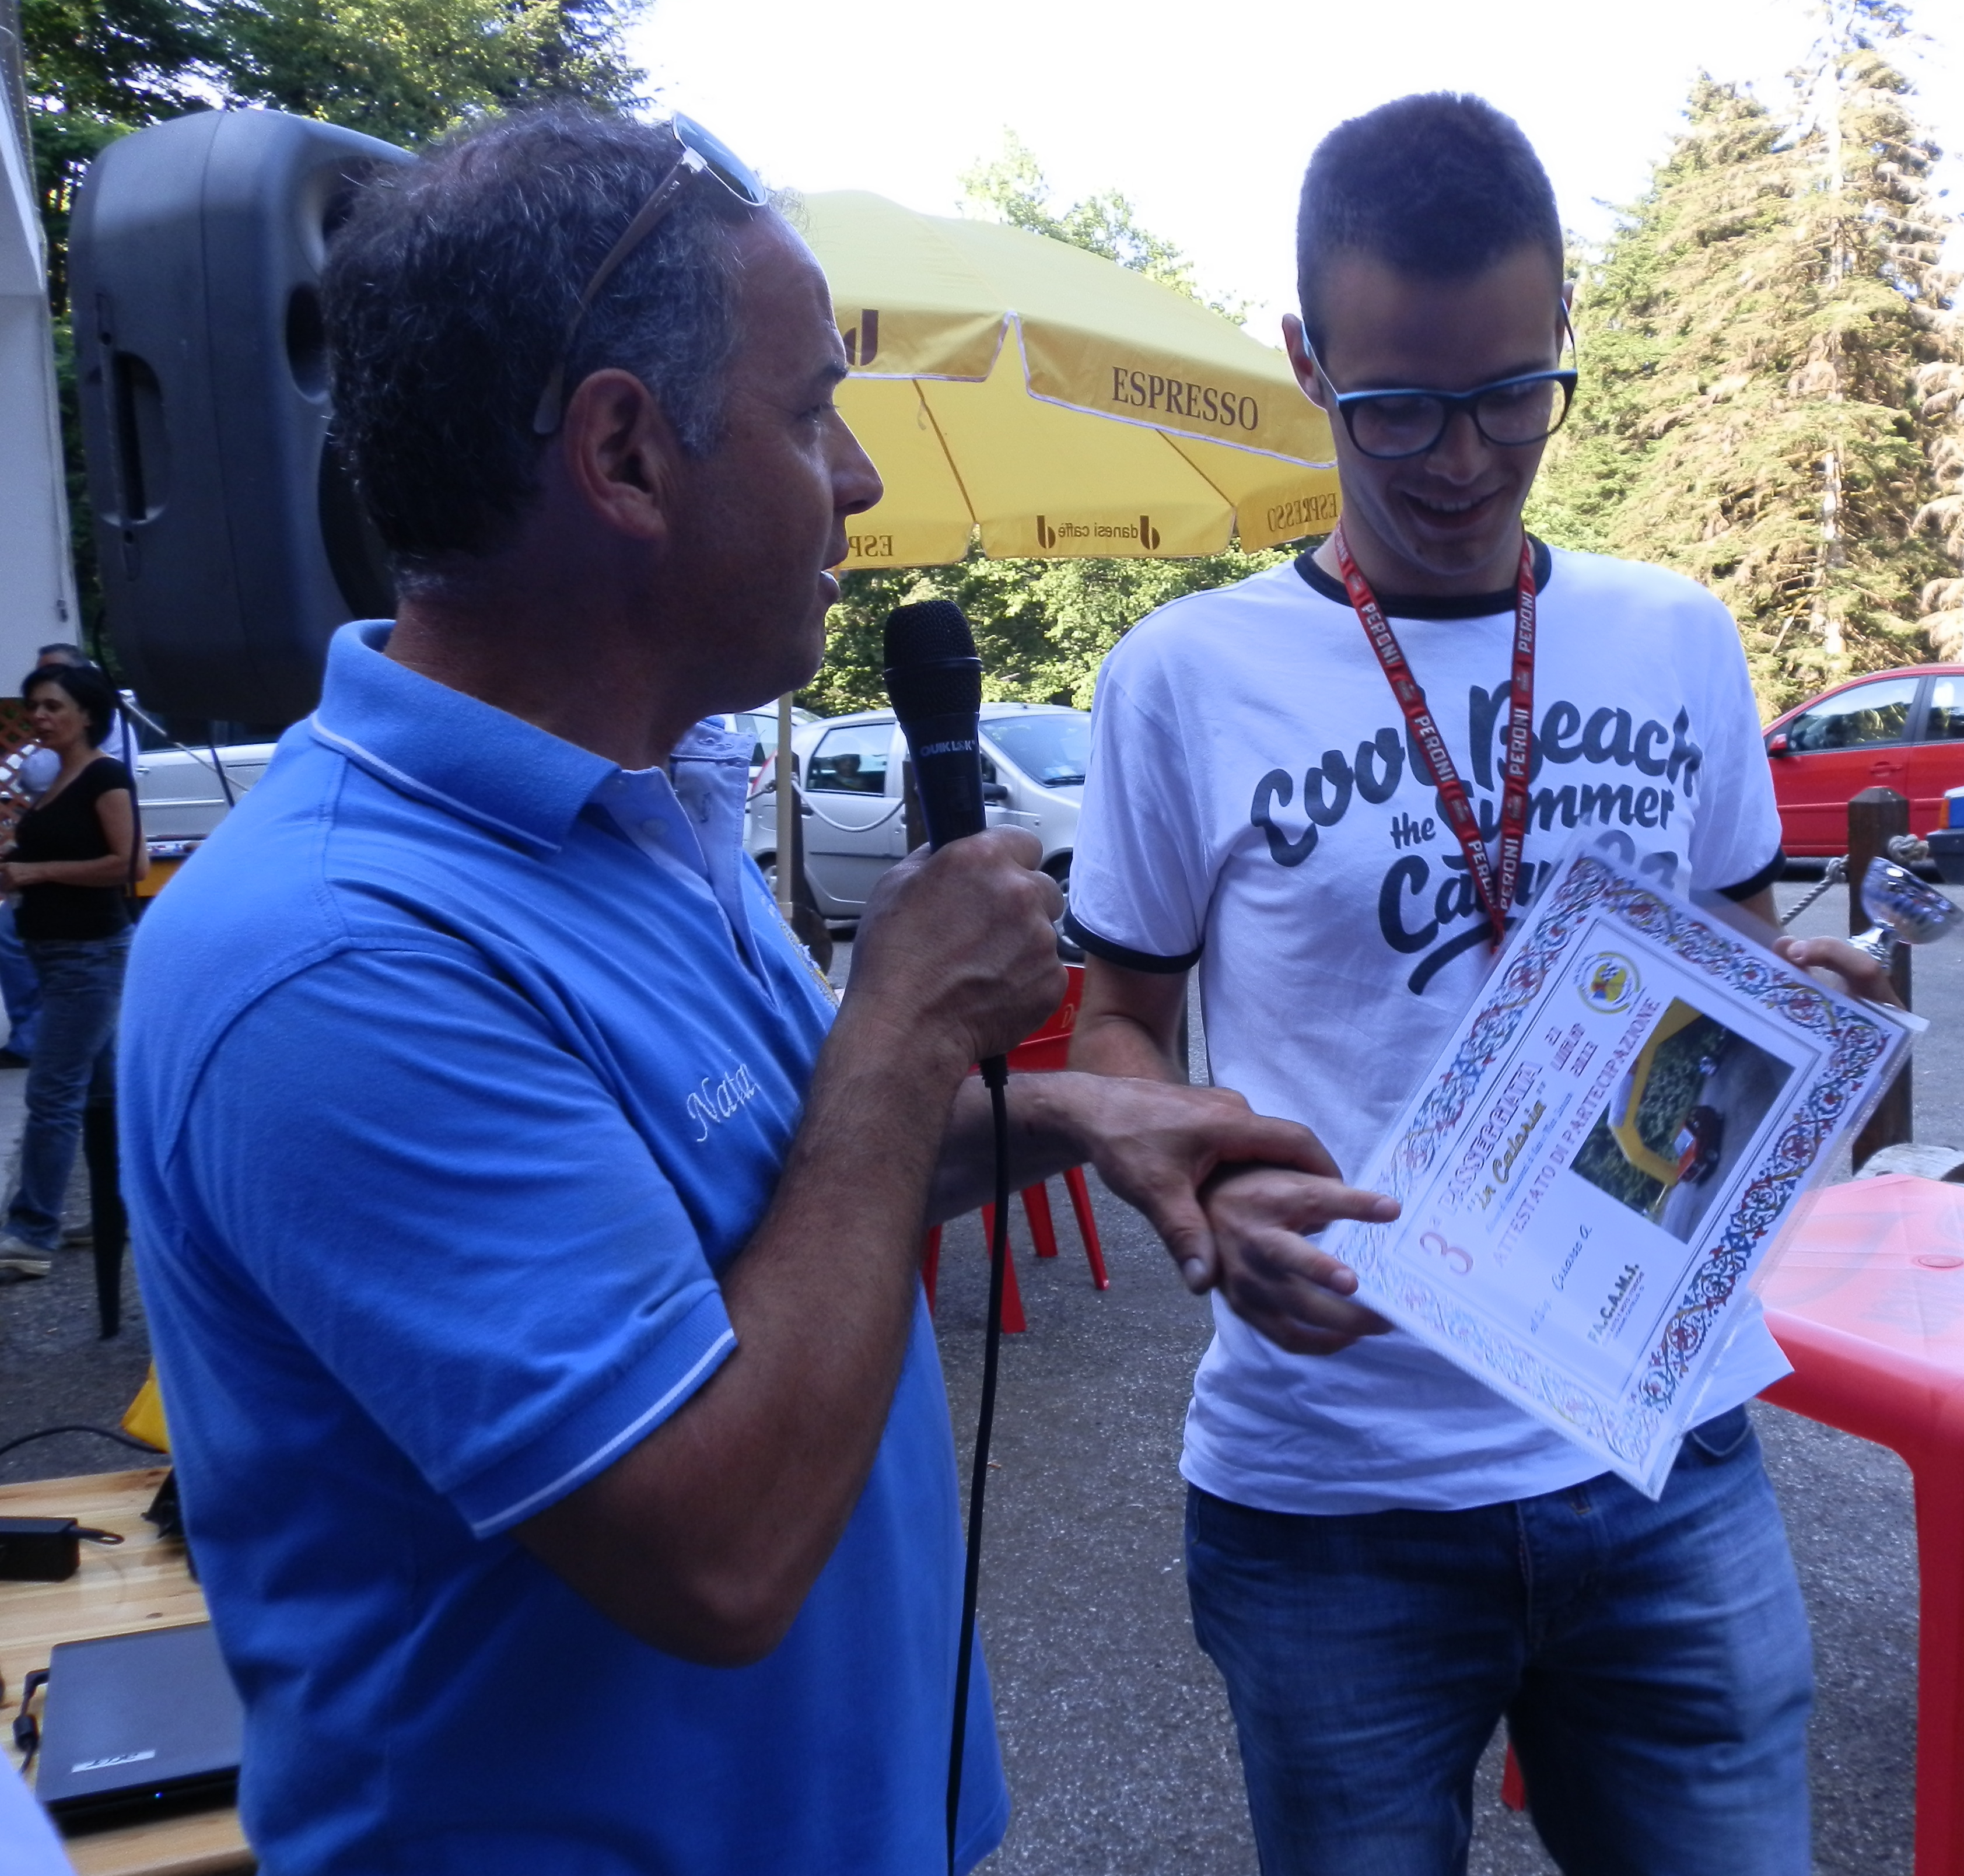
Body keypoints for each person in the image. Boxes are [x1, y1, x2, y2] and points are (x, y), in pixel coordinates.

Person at [121, 109, 1338, 1874]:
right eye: (809, 411)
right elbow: (718, 1546)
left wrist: (1076, 1112)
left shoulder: (641, 811)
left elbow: (780, 1195)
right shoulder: (331, 952)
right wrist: (906, 1020)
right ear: (624, 453)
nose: (858, 480)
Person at [1066, 93, 1893, 1875]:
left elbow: (1737, 953)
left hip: (1665, 1450)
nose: (1460, 459)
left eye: (1514, 394)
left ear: (1564, 331)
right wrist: (1195, 1186)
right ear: (1306, 361)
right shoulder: (1183, 677)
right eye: (1396, 407)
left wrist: (1804, 1004)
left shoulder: (1675, 635)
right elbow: (1116, 1020)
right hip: (1334, 1491)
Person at [0, 662, 136, 1278]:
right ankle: (120, 1211)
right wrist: (17, 858)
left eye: (52, 706)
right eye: (34, 706)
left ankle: (31, 1234)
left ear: (86, 714)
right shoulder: (58, 776)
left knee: (51, 1094)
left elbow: (127, 864)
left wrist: (38, 871)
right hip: (57, 955)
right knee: (102, 1095)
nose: (39, 716)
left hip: (89, 956)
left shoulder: (105, 775)